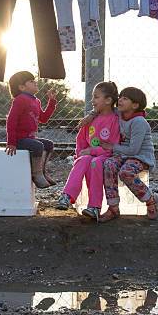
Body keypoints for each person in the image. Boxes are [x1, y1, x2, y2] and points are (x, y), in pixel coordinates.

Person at [56, 82, 120, 220]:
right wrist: (80, 154)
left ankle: (94, 207)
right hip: (89, 155)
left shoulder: (115, 121)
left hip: (104, 156)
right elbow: (81, 141)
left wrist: (92, 151)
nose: (92, 101)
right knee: (82, 160)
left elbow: (111, 147)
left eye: (96, 97)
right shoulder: (90, 120)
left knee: (95, 163)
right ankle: (67, 196)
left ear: (108, 100)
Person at [99, 87, 158, 222]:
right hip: (123, 154)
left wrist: (112, 147)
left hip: (140, 156)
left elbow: (134, 150)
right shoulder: (119, 114)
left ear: (135, 105)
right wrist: (90, 116)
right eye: (120, 97)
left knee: (126, 172)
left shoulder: (139, 122)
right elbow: (102, 109)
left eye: (125, 98)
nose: (120, 100)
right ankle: (113, 207)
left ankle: (150, 200)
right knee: (108, 164)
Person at [5, 71, 57, 188]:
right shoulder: (20, 100)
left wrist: (51, 102)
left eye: (34, 80)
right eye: (31, 81)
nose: (35, 82)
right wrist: (11, 142)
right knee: (38, 146)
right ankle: (36, 174)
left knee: (48, 144)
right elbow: (11, 121)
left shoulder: (36, 101)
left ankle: (42, 171)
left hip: (30, 138)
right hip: (20, 140)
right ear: (22, 87)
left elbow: (43, 118)